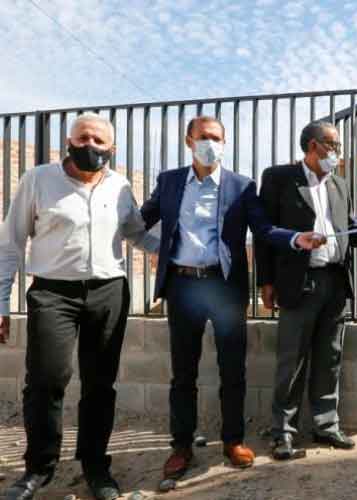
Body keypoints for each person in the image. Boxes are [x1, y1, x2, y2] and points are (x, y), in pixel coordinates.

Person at [139, 116, 325, 482]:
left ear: (225, 143)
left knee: (232, 369)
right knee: (183, 373)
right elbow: (141, 219)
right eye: (204, 137)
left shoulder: (241, 186)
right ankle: (181, 446)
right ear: (188, 140)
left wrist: (294, 238)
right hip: (183, 286)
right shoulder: (170, 181)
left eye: (217, 138)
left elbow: (264, 229)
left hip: (225, 286)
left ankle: (233, 441)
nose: (211, 143)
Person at [0, 114, 159, 500]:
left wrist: (177, 252)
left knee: (100, 385)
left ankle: (96, 467)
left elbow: (136, 233)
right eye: (82, 137)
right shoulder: (38, 179)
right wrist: (1, 299)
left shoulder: (121, 186)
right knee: (45, 382)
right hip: (53, 293)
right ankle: (37, 469)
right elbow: (11, 243)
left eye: (99, 141)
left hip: (109, 292)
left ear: (112, 149)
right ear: (68, 142)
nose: (90, 145)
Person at [256, 121, 357, 460]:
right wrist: (266, 282)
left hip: (334, 281)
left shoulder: (339, 184)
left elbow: (345, 229)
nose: (337, 151)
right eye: (331, 144)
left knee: (329, 358)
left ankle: (326, 425)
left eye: (337, 145)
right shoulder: (278, 178)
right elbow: (265, 233)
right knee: (292, 360)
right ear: (311, 145)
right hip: (298, 282)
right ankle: (284, 432)